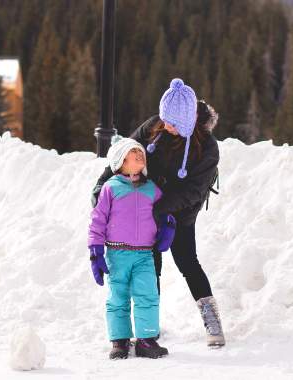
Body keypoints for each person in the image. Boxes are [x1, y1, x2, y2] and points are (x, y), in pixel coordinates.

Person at [91, 78, 225, 348]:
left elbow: (194, 191)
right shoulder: (156, 125)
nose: (167, 126)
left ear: (188, 122)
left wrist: (162, 209)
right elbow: (125, 153)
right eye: (165, 120)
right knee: (150, 266)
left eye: (173, 123)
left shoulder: (207, 148)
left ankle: (211, 318)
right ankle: (148, 325)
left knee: (187, 260)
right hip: (146, 206)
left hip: (181, 212)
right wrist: (103, 182)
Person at [89, 137, 175, 359]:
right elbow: (98, 219)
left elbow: (165, 213)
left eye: (140, 154)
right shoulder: (111, 188)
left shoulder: (151, 189)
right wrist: (95, 251)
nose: (139, 155)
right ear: (120, 161)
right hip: (117, 255)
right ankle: (120, 340)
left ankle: (146, 340)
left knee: (147, 294)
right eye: (133, 153)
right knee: (118, 297)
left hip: (145, 254)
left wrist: (167, 229)